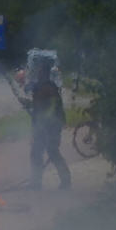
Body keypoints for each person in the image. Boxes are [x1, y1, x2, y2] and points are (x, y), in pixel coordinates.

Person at [22, 58, 71, 191]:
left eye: (40, 72)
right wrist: (29, 105)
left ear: (45, 73)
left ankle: (64, 181)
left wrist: (44, 122)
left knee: (51, 152)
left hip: (50, 126)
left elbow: (51, 108)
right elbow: (39, 105)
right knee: (38, 152)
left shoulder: (49, 88)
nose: (38, 75)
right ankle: (36, 182)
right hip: (44, 125)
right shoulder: (42, 87)